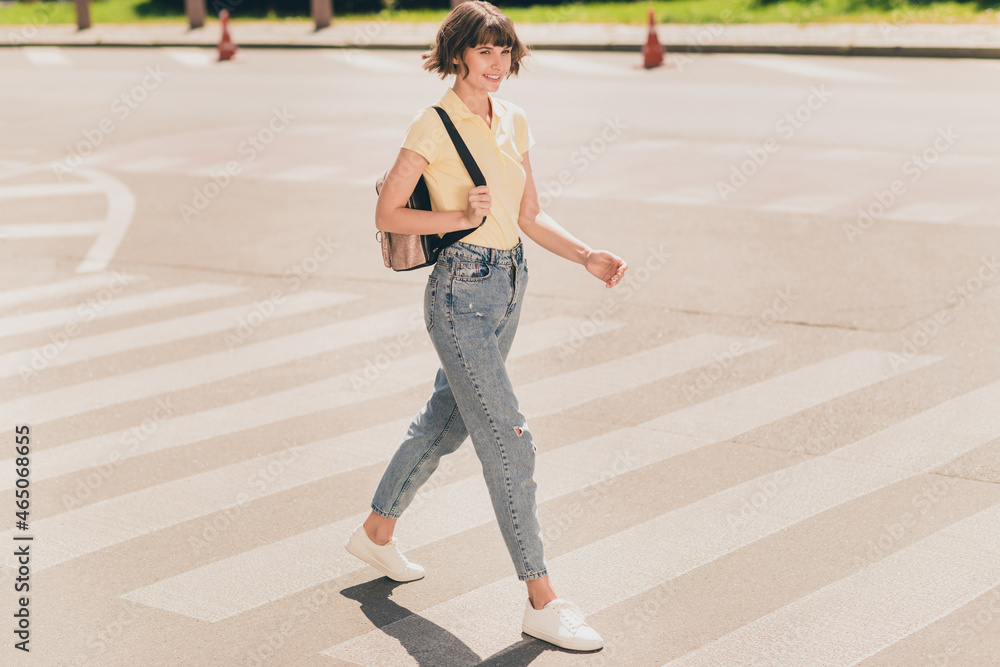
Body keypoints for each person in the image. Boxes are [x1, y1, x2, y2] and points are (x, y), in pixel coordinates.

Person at [344, 0, 628, 652]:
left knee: (445, 420)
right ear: (458, 53)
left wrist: (586, 254)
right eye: (484, 49)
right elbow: (390, 212)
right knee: (510, 439)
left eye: (505, 51)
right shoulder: (433, 124)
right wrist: (453, 219)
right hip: (459, 295)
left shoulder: (514, 119)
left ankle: (376, 530)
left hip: (508, 285)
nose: (497, 62)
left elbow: (530, 213)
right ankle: (543, 598)